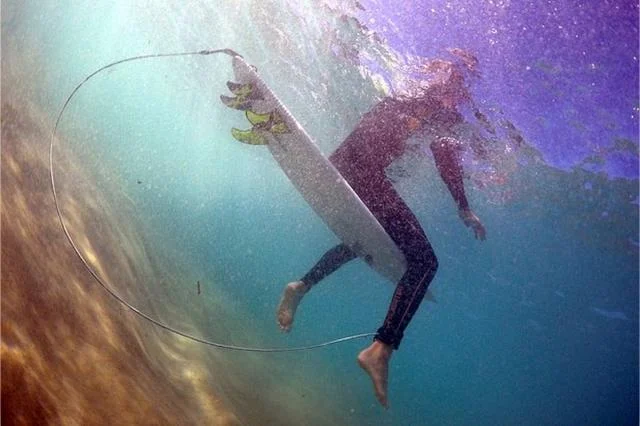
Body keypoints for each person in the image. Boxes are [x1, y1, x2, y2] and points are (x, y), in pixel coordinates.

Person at [276, 53, 487, 408]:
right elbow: (445, 155)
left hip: (342, 163)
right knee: (424, 263)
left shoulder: (409, 90)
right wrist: (464, 207)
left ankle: (301, 286)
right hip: (364, 173)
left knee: (365, 240)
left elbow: (376, 129)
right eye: (464, 88)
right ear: (456, 84)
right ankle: (381, 349)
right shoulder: (439, 105)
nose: (463, 97)